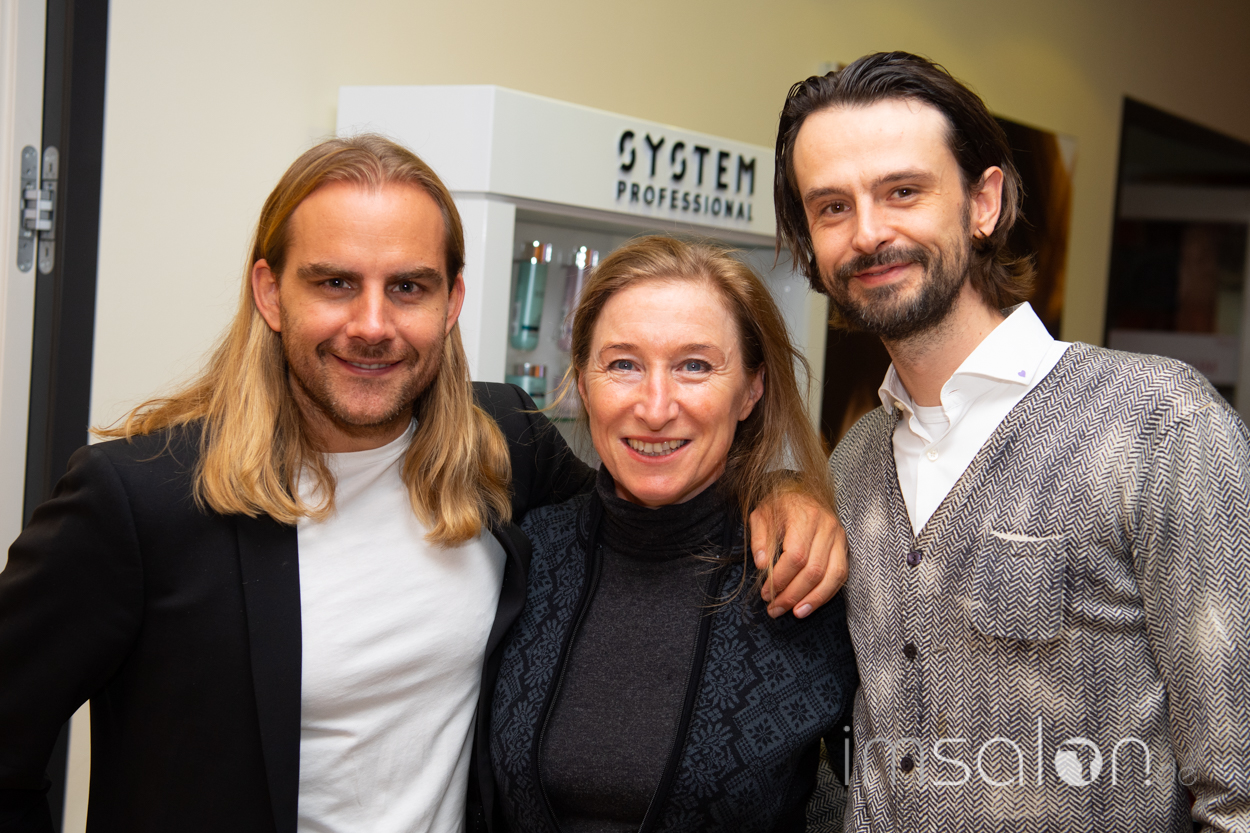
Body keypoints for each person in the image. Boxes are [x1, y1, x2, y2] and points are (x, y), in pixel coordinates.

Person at [0, 136, 847, 833]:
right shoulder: (138, 502)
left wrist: (783, 492)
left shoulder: (502, 447)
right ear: (270, 292)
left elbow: (652, 493)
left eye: (407, 287)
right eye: (335, 282)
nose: (372, 325)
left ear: (451, 302)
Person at [774, 51, 1250, 831]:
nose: (868, 233)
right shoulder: (856, 460)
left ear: (983, 201)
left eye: (903, 191)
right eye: (832, 207)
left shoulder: (1159, 424)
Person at [489, 236, 858, 833]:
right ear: (582, 383)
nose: (656, 408)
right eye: (623, 365)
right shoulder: (526, 555)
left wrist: (791, 488)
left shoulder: (803, 574)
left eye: (694, 366)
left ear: (752, 389)